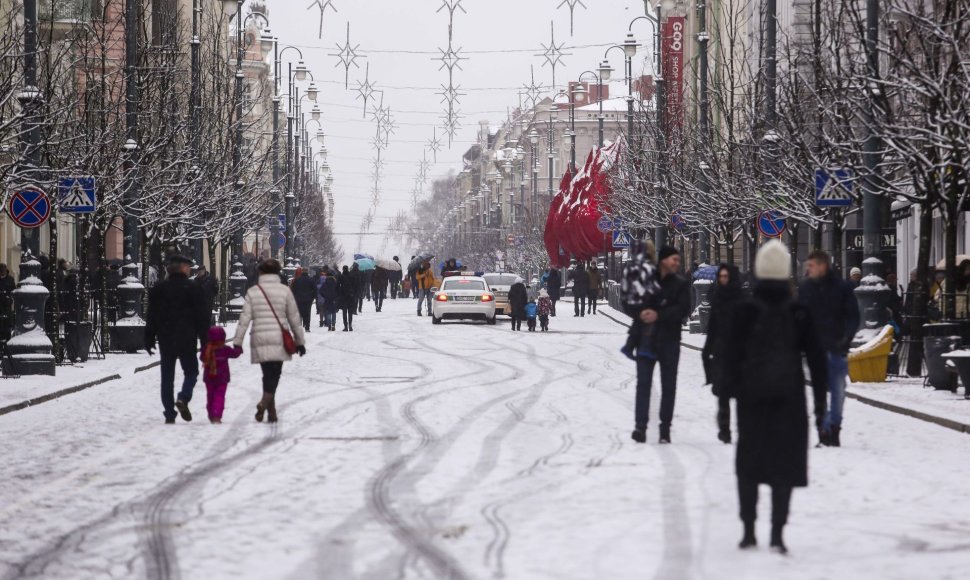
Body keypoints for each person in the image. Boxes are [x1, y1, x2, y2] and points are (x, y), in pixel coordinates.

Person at [722, 240, 828, 554]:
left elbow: (728, 358)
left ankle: (748, 530)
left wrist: (723, 406)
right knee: (785, 462)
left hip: (750, 396)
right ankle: (778, 532)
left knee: (750, 462)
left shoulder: (743, 310)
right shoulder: (798, 311)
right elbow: (817, 360)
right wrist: (821, 404)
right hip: (789, 396)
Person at [626, 245, 690, 444]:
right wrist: (640, 313)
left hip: (670, 341)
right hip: (647, 340)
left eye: (678, 260)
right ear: (663, 260)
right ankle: (640, 427)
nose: (677, 264)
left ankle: (665, 429)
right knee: (643, 384)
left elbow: (683, 310)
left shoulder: (680, 284)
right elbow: (630, 302)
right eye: (674, 259)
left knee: (668, 386)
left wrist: (658, 314)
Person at [232, 259, 307, 423]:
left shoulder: (253, 291)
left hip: (259, 337)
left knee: (266, 374)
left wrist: (238, 341)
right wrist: (299, 341)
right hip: (279, 338)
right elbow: (294, 318)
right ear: (278, 272)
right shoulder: (284, 291)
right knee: (275, 374)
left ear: (261, 273)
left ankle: (271, 412)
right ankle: (264, 402)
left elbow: (244, 319)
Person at [798, 250, 860, 447]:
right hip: (814, 349)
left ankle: (833, 427)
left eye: (811, 266)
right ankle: (823, 429)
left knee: (837, 390)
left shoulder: (842, 288)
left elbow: (853, 316)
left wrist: (845, 338)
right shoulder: (806, 288)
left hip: (836, 347)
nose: (808, 269)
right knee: (820, 391)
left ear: (822, 266)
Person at [144, 255, 211, 424]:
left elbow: (151, 316)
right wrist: (205, 342)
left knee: (167, 377)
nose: (190, 270)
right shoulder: (194, 288)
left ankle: (169, 412)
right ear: (182, 268)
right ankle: (184, 397)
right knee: (191, 372)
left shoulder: (159, 289)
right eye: (188, 267)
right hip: (187, 338)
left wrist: (149, 338)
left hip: (166, 338)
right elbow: (202, 318)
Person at [702, 264, 744, 444]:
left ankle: (743, 429)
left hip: (740, 353)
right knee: (723, 394)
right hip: (721, 351)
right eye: (721, 277)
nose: (723, 280)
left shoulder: (743, 299)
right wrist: (707, 349)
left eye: (726, 276)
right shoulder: (718, 296)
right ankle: (724, 429)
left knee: (742, 394)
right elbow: (713, 325)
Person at [199, 326, 243, 424]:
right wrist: (239, 348)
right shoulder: (225, 349)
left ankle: (211, 414)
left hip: (209, 378)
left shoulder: (207, 348)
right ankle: (216, 415)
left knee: (210, 396)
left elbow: (202, 358)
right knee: (219, 396)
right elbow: (234, 354)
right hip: (222, 378)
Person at [291, 268, 317, 332]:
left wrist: (294, 297)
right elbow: (315, 289)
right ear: (307, 272)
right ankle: (307, 327)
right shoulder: (311, 280)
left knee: (300, 312)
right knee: (308, 312)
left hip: (299, 299)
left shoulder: (297, 280)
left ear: (302, 272)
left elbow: (293, 289)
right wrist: (313, 297)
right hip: (308, 299)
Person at [317, 266, 338, 331]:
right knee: (333, 312)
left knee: (328, 312)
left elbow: (320, 291)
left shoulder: (325, 284)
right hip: (334, 299)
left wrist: (324, 296)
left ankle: (329, 325)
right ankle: (333, 325)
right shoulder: (335, 283)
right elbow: (338, 290)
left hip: (327, 299)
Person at [337, 265, 358, 331]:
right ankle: (350, 325)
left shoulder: (340, 277)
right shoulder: (351, 276)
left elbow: (337, 286)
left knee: (344, 312)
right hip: (350, 296)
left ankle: (345, 326)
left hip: (343, 297)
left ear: (343, 269)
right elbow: (355, 286)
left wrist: (339, 294)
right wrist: (354, 294)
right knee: (350, 312)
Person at [0, 264, 16, 341]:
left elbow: (14, 291)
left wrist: (9, 298)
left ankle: (7, 341)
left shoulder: (10, 279)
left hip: (7, 305)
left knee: (7, 325)